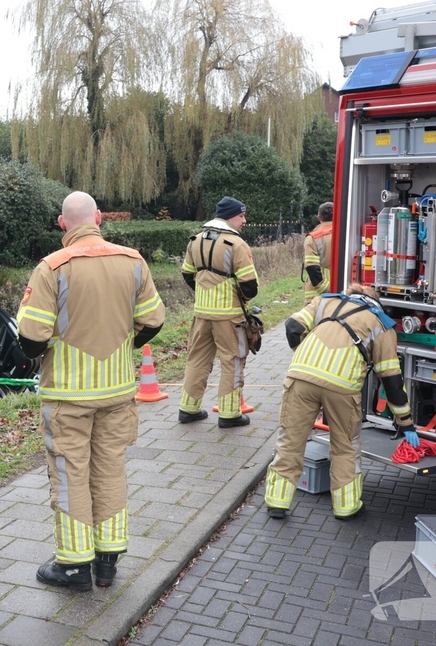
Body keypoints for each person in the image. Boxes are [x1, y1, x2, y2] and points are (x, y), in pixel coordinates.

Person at [17, 191, 165, 592]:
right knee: (110, 468)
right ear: (98, 217)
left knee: (70, 474)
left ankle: (73, 565)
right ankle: (108, 560)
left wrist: (49, 350)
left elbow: (30, 337)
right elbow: (153, 321)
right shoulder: (133, 260)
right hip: (118, 391)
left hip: (68, 396)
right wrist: (123, 345)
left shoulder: (52, 267)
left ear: (63, 224)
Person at [264, 284, 417, 520]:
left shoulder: (323, 301)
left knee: (290, 440)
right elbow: (392, 381)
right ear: (376, 303)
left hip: (301, 377)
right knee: (345, 446)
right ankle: (347, 507)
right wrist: (405, 422)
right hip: (343, 388)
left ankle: (277, 502)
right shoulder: (382, 325)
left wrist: (304, 356)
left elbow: (292, 326)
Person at [178, 196, 258, 428]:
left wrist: (204, 293)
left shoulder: (195, 240)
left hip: (201, 314)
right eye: (241, 216)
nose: (244, 220)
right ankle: (230, 414)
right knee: (232, 361)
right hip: (229, 316)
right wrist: (239, 298)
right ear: (230, 217)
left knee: (197, 359)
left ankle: (188, 409)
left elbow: (187, 274)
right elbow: (249, 286)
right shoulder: (237, 244)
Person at [302, 202, 334, 300]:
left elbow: (312, 268)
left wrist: (328, 290)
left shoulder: (313, 238)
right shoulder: (347, 233)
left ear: (319, 218)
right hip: (344, 291)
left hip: (317, 295)